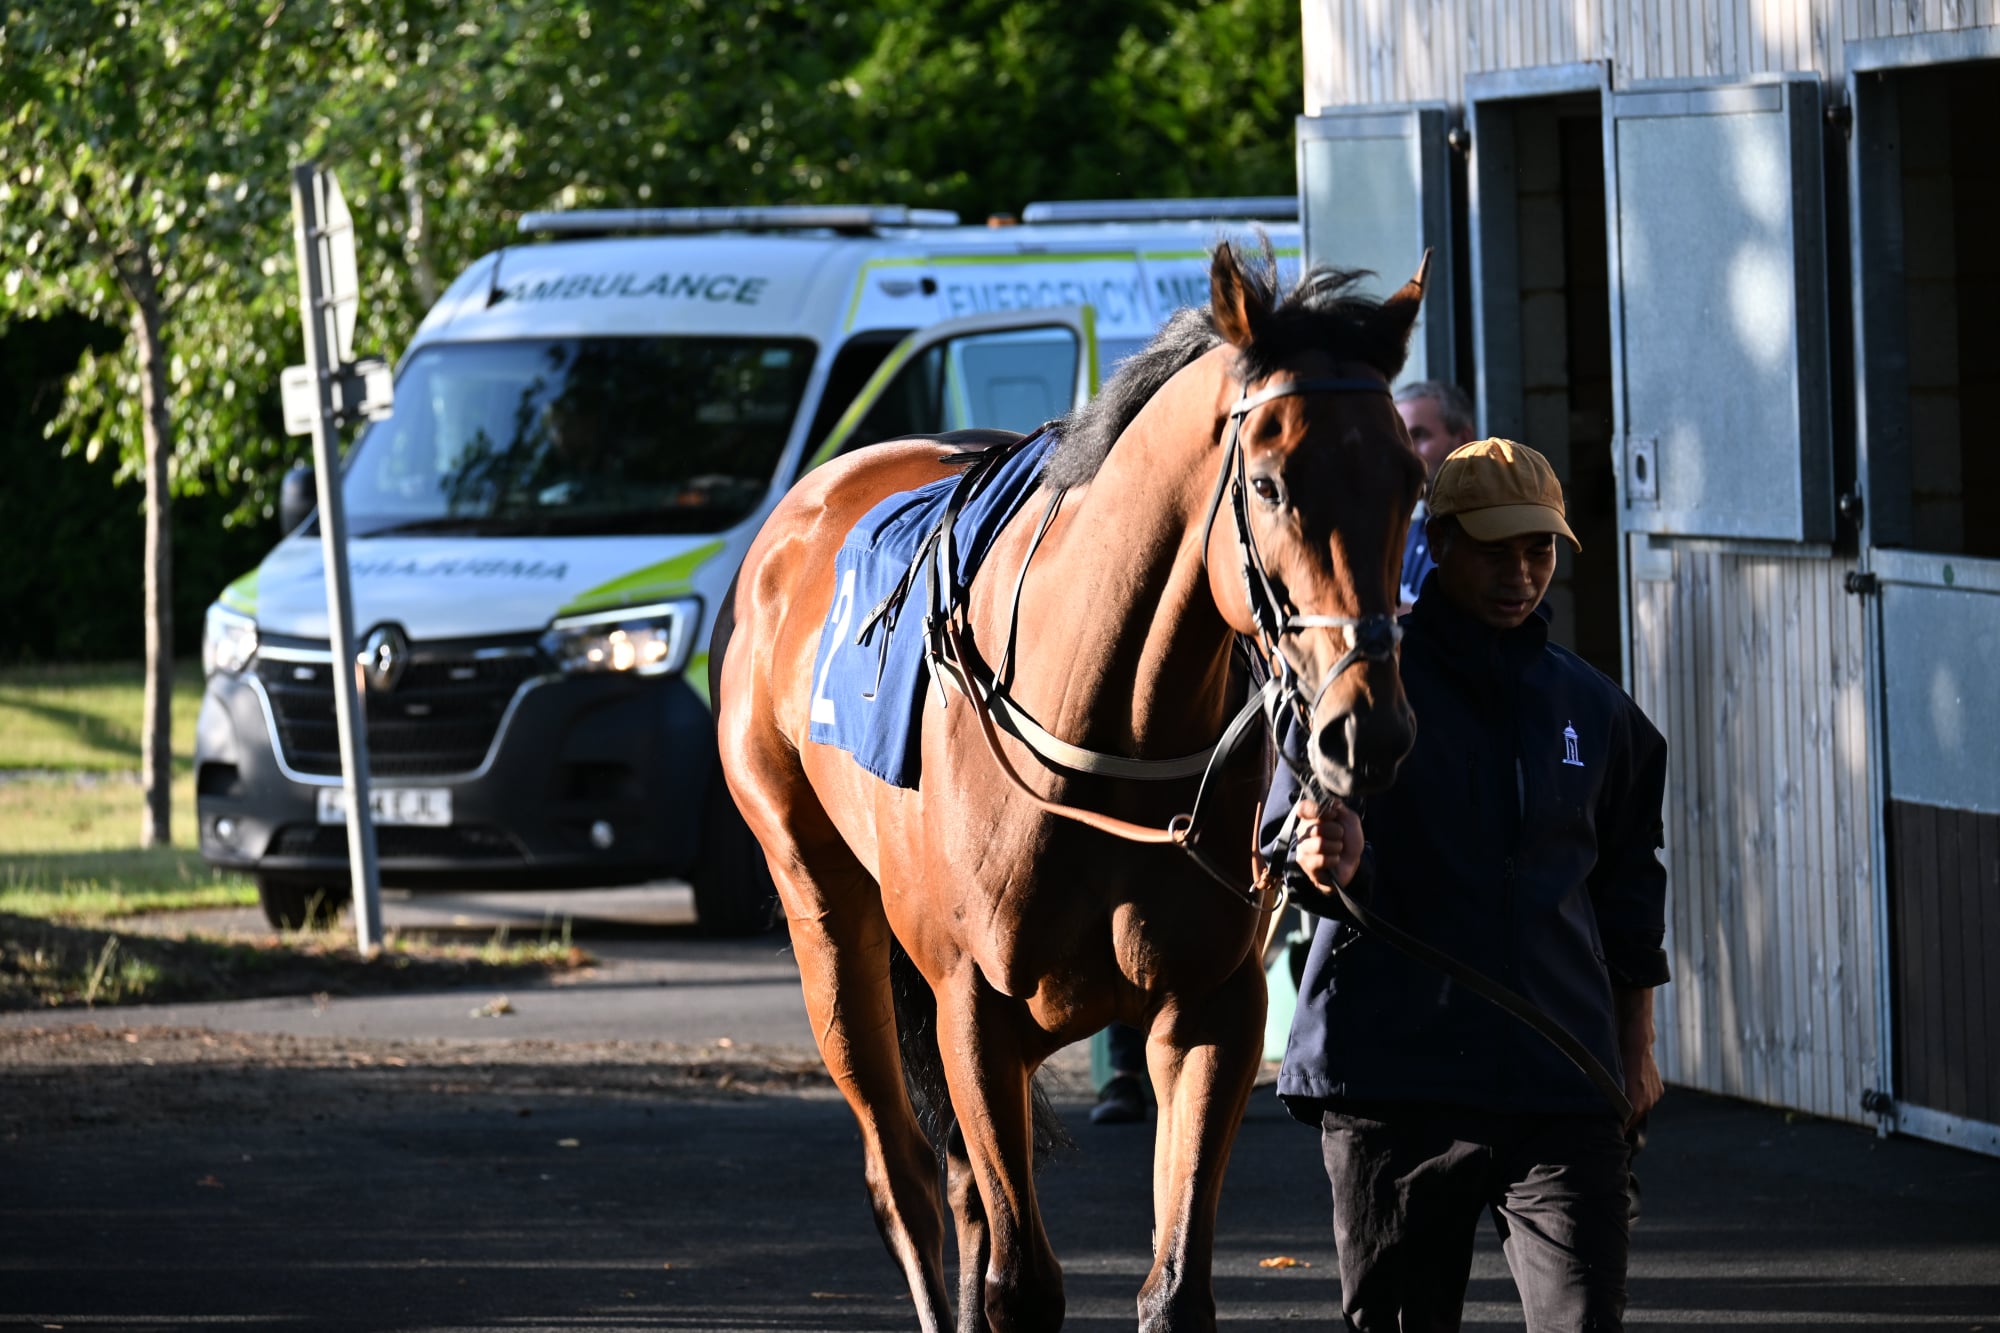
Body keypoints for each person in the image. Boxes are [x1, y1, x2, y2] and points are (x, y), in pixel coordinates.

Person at [1266, 438, 1669, 1332]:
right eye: (1496, 548)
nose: (1521, 573)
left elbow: (1631, 898)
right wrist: (1321, 855)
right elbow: (1279, 839)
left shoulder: (1599, 713)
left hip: (1559, 1080)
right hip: (1394, 1086)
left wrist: (1634, 1049)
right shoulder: (1360, 689)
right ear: (1437, 542)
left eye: (1539, 550)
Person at [1393, 381, 1477, 609]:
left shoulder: (1490, 536)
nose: (1405, 451)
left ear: (1464, 440)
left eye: (1418, 435)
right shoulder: (1404, 537)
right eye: (1399, 439)